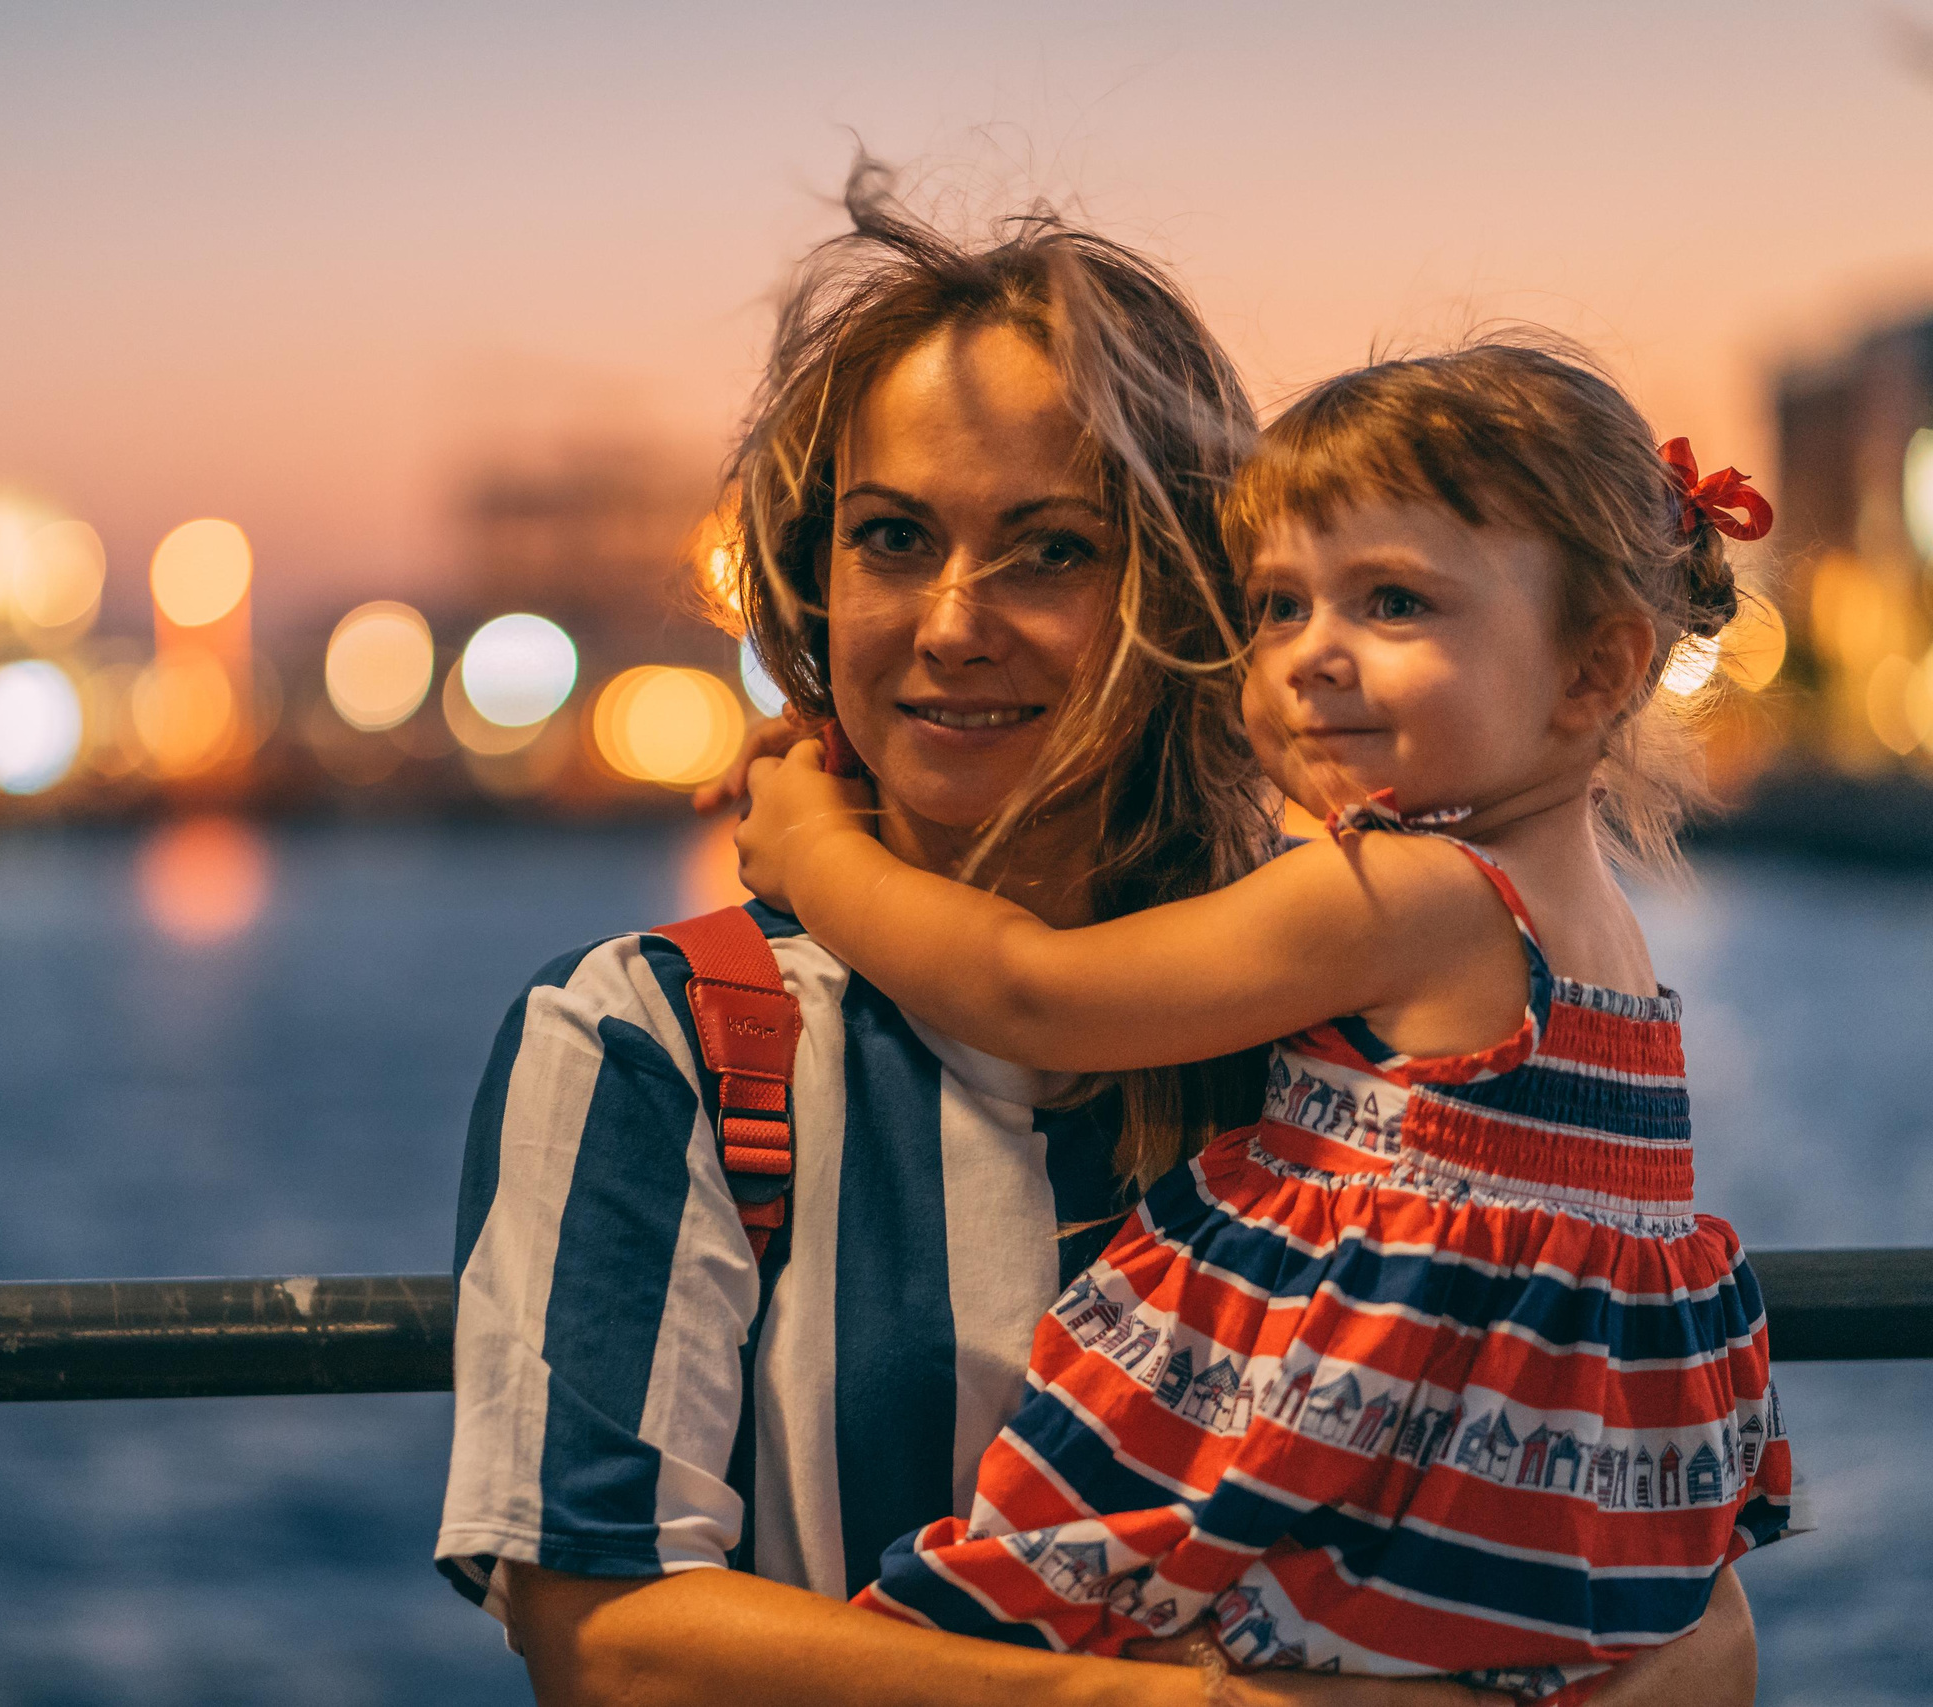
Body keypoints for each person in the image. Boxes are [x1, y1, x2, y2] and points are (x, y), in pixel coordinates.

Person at [438, 163, 1757, 1707]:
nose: (952, 621)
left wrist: (810, 845)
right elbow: (604, 1642)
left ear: (1179, 585)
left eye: (1053, 548)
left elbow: (1688, 1630)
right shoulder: (656, 1036)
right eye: (889, 539)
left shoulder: (1347, 1028)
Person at [732, 340, 1799, 1702]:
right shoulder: (1605, 940)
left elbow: (1034, 993)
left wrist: (816, 853)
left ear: (1591, 675)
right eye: (1277, 606)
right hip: (1541, 1524)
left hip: (1366, 1501)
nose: (1311, 659)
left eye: (1393, 603)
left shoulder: (1403, 895)